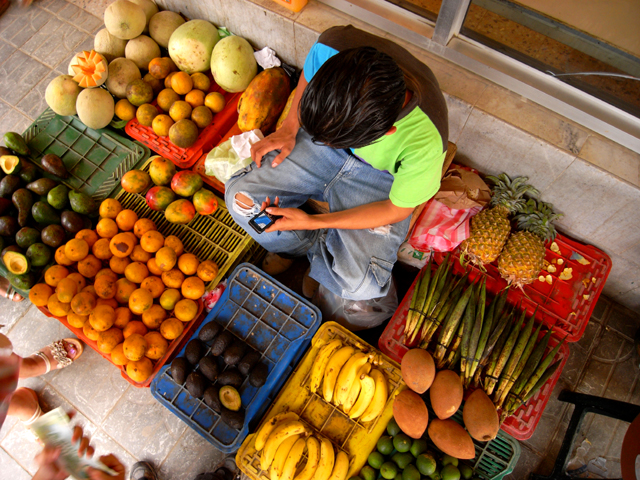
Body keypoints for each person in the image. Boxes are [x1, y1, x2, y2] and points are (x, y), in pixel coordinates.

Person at [225, 25, 448, 304]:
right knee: (241, 202)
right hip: (325, 139)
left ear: (386, 132)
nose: (325, 142)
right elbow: (308, 74)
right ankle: (310, 250)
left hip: (379, 177)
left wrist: (314, 221)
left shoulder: (426, 140)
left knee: (361, 287)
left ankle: (319, 252)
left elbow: (396, 208)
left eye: (334, 139)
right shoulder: (333, 46)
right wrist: (291, 126)